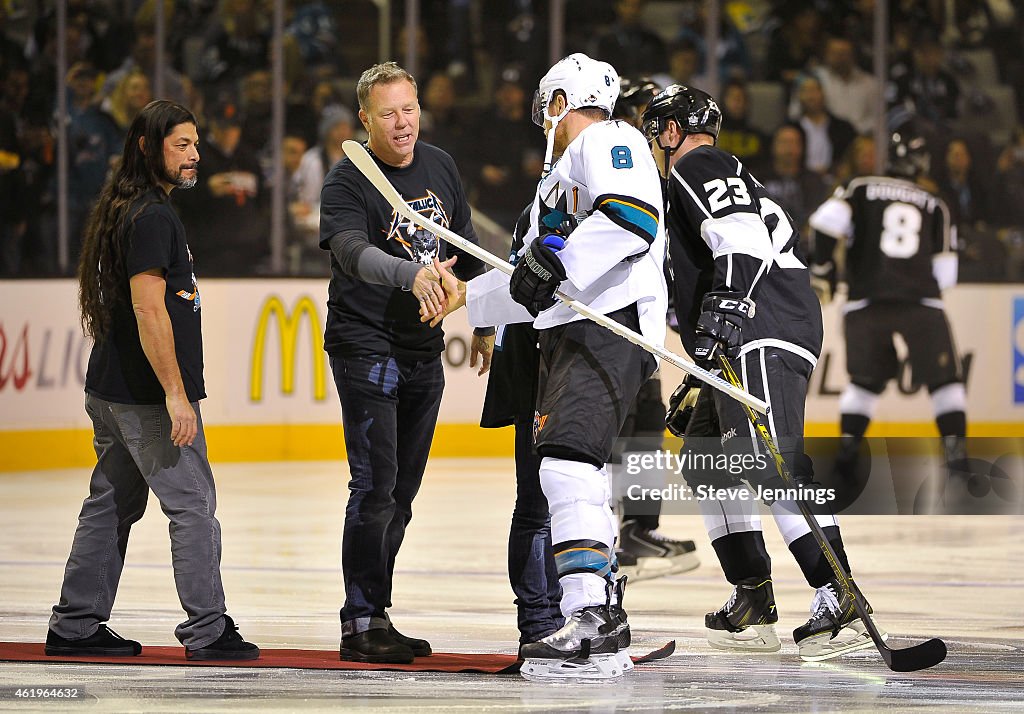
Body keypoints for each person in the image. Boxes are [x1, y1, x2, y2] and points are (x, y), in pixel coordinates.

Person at [428, 53, 668, 680]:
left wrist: (555, 265)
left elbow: (633, 221)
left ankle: (589, 615)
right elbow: (535, 288)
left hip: (605, 330)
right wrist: (468, 298)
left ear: (563, 98)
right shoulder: (559, 179)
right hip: (571, 334)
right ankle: (602, 615)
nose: (544, 116)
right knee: (569, 469)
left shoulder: (610, 138)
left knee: (564, 464)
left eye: (548, 102)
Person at [642, 84, 873, 661]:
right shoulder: (693, 182)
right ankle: (753, 591)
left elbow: (742, 243)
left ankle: (835, 588)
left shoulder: (699, 163)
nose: (654, 145)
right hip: (744, 327)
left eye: (655, 133)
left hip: (765, 322)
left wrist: (726, 316)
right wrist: (703, 357)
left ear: (672, 131)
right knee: (704, 455)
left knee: (768, 456)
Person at [47, 99, 258, 661]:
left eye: (195, 143)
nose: (194, 156)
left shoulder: (132, 207)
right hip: (145, 399)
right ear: (148, 147)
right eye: (180, 146)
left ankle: (73, 625)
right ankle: (209, 630)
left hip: (112, 390)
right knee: (193, 505)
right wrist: (175, 395)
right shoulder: (151, 216)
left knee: (110, 503)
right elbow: (149, 310)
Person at [317, 61, 490, 664]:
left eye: (409, 109)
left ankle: (377, 612)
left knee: (403, 492)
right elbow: (352, 254)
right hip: (366, 347)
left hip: (422, 353)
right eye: (387, 114)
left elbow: (463, 247)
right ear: (364, 120)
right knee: (375, 488)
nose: (402, 123)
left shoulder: (440, 164)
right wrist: (413, 274)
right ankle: (359, 621)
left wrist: (484, 316)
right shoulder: (347, 180)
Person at [807, 125, 967, 495]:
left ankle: (846, 458)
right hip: (921, 303)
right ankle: (958, 464)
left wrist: (824, 270)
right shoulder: (937, 205)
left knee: (864, 383)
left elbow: (823, 223)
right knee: (946, 383)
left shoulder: (860, 187)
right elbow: (946, 275)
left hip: (865, 301)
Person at [612, 75, 700, 581]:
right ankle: (605, 533)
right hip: (611, 316)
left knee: (645, 424)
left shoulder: (658, 170)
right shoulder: (615, 161)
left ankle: (638, 528)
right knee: (615, 429)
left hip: (642, 319)